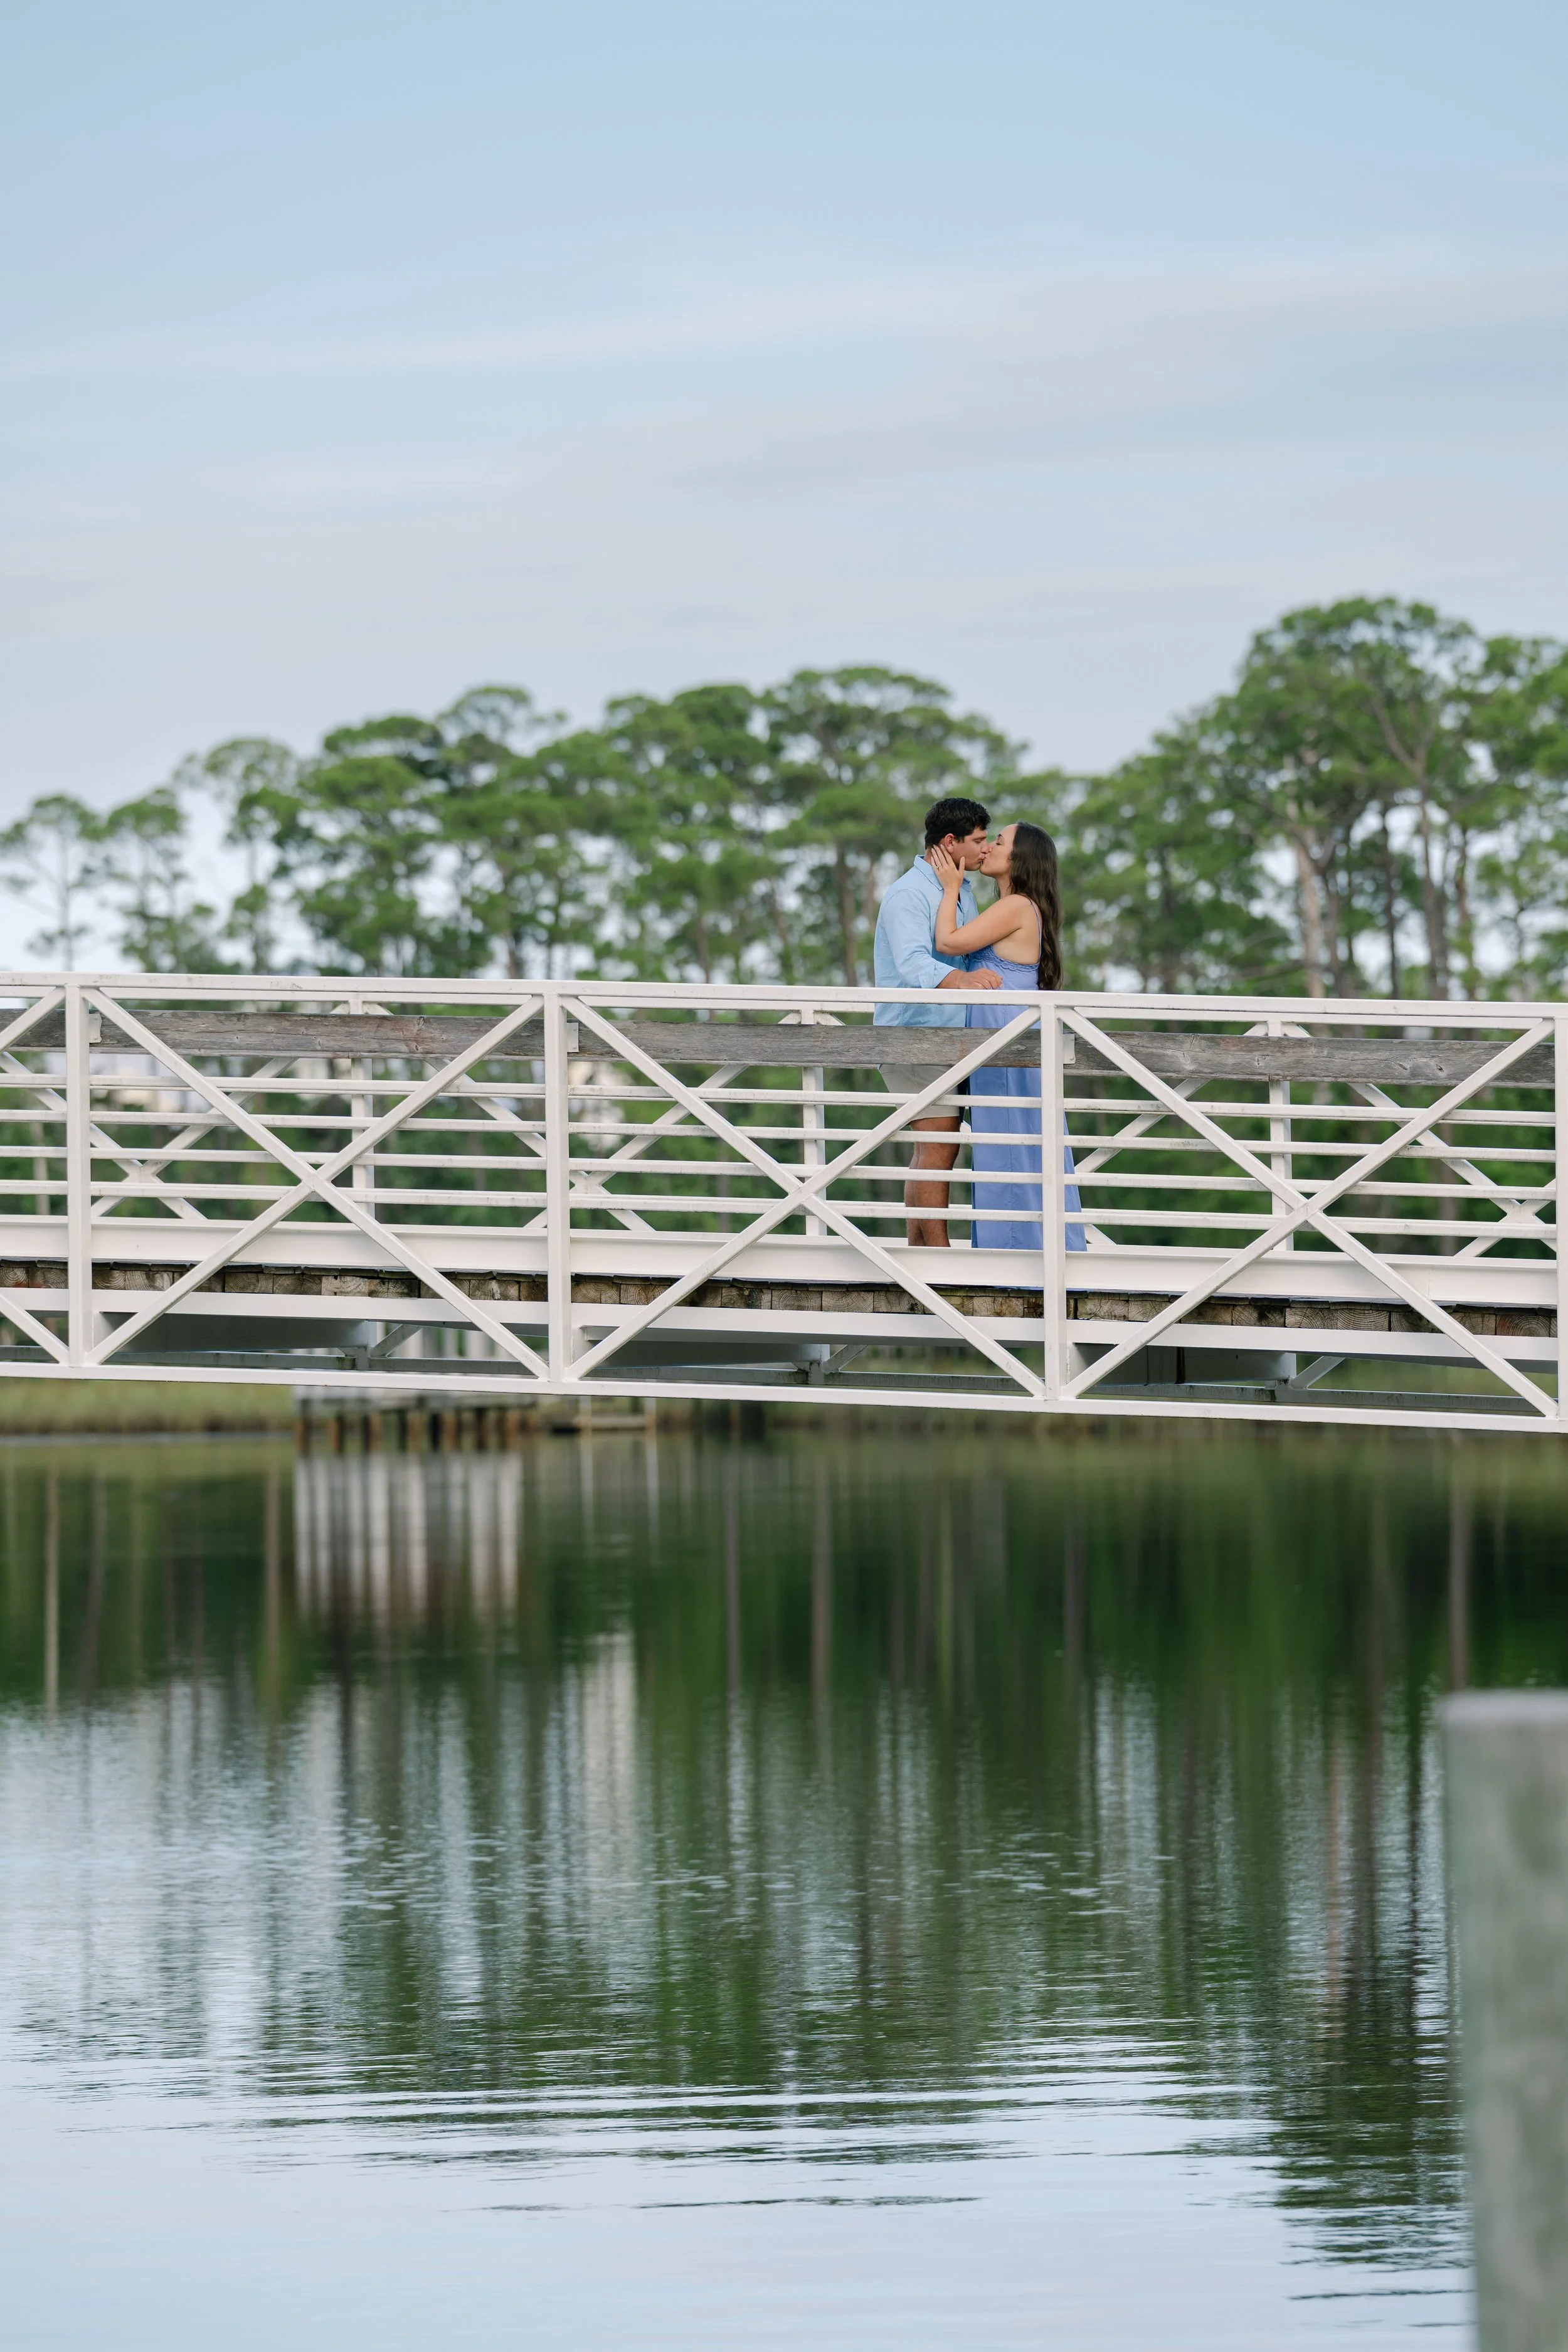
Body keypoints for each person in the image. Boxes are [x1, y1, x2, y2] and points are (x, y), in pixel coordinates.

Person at [929, 821, 1087, 1254]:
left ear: (1019, 859)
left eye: (999, 841)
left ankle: (1019, 1260)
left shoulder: (1017, 905)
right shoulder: (1014, 906)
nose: (989, 848)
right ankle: (1016, 1252)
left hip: (1008, 1041)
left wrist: (949, 889)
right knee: (1007, 1146)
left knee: (1012, 1146)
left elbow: (947, 942)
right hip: (1001, 1040)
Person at [872, 797, 1003, 1247]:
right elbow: (912, 964)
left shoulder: (957, 888)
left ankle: (920, 1253)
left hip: (948, 1040)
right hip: (916, 1036)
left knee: (931, 1150)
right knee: (939, 1148)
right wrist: (964, 981)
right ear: (951, 842)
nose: (986, 849)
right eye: (980, 840)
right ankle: (939, 1258)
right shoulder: (910, 893)